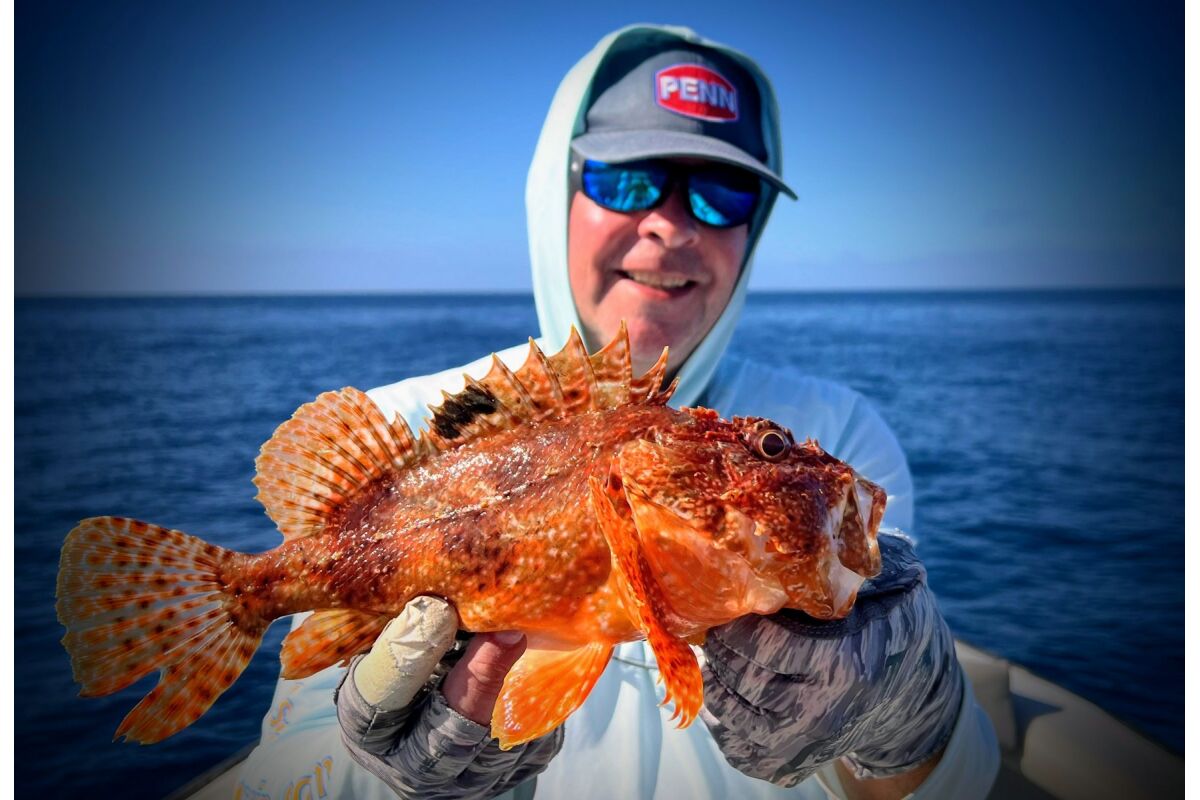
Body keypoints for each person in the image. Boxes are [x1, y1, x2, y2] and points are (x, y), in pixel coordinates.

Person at [234, 24, 1000, 800]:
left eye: (723, 192)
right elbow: (283, 777)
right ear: (556, 193)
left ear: (755, 228)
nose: (671, 224)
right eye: (627, 181)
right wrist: (384, 779)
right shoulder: (413, 428)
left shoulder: (844, 434)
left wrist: (907, 720)